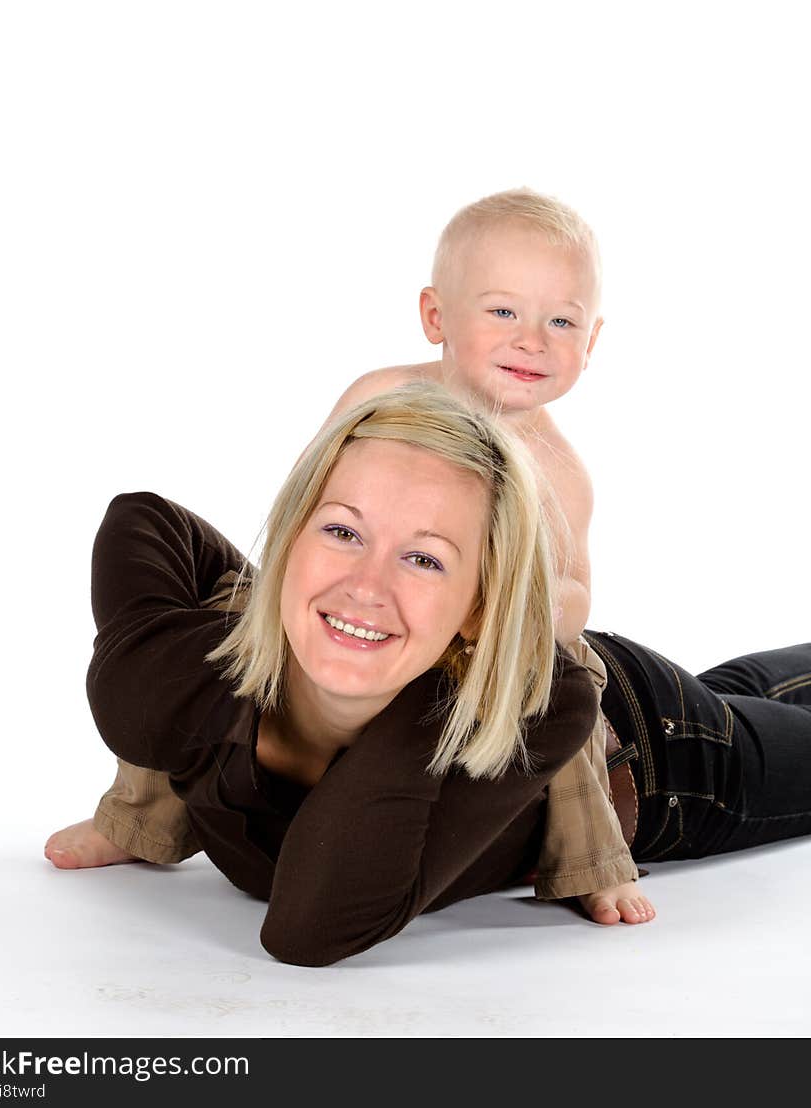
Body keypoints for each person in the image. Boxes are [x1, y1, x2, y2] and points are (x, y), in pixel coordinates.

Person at [48, 187, 653, 926]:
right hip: (353, 629)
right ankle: (137, 820)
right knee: (221, 649)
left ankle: (590, 864)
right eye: (503, 312)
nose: (533, 340)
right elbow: (314, 508)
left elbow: (577, 597)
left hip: (477, 652)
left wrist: (507, 604)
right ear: (436, 316)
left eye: (562, 322)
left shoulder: (558, 472)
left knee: (560, 691)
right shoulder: (381, 395)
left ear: (591, 344)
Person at [82, 385, 811, 967]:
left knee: (749, 718)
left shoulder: (538, 695)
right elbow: (144, 519)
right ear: (291, 537)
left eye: (425, 558)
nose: (365, 587)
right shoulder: (183, 680)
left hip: (660, 758)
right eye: (341, 531)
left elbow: (308, 931)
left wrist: (427, 670)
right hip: (520, 663)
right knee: (756, 689)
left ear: (480, 611)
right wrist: (282, 632)